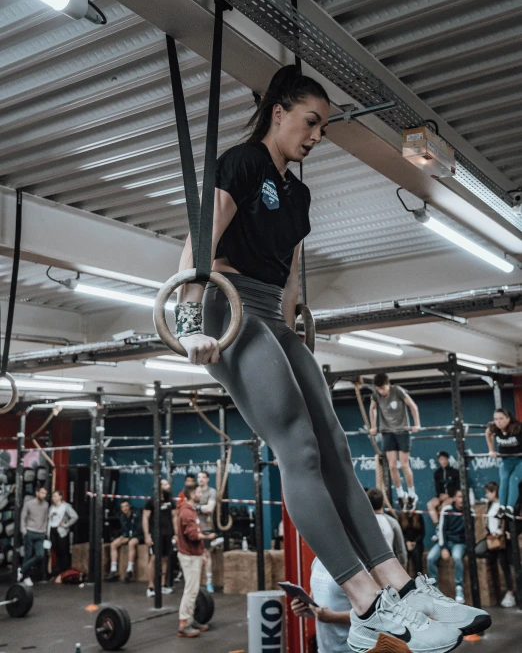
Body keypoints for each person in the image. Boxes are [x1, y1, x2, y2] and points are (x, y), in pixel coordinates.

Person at [173, 64, 490, 650]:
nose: (317, 136)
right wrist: (189, 317)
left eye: (324, 127)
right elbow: (201, 238)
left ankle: (398, 582)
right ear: (279, 112)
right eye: (311, 123)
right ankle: (365, 600)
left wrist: (296, 328)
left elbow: (289, 273)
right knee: (296, 447)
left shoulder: (298, 191)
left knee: (336, 447)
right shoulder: (241, 163)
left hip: (270, 313)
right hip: (227, 304)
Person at [369, 373, 421, 510]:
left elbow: (413, 406)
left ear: (388, 384)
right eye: (379, 389)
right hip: (387, 432)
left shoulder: (397, 391)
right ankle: (400, 493)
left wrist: (417, 424)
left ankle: (411, 493)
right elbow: (372, 409)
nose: (381, 391)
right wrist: (373, 426)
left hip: (402, 431)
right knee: (392, 466)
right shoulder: (376, 395)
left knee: (404, 464)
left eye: (383, 388)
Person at [176, 484, 216, 638]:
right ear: (192, 494)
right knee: (190, 591)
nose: (201, 494)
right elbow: (193, 535)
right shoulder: (186, 512)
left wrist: (202, 553)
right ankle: (184, 624)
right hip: (189, 556)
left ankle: (191, 620)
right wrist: (208, 537)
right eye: (199, 492)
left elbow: (195, 532)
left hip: (194, 554)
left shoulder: (191, 510)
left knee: (193, 590)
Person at [290, 558, 352, 653]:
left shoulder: (357, 564)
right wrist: (305, 608)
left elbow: (374, 614)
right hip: (324, 649)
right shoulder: (317, 561)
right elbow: (315, 604)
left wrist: (333, 617)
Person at [475, 481, 516, 608]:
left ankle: (511, 592)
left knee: (507, 564)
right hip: (492, 538)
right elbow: (489, 519)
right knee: (478, 550)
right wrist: (488, 530)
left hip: (503, 539)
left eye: (488, 492)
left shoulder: (504, 505)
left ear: (495, 492)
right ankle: (493, 559)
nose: (486, 495)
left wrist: (505, 532)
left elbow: (508, 520)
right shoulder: (490, 504)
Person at [427, 490, 471, 604]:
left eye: (463, 497)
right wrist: (443, 548)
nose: (461, 500)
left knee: (457, 557)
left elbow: (470, 534)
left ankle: (459, 588)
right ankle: (434, 589)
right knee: (430, 558)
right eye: (459, 497)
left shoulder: (470, 511)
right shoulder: (447, 510)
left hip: (459, 543)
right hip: (446, 542)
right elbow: (441, 530)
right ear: (455, 498)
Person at [486, 408, 522, 520]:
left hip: (520, 460)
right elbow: (487, 434)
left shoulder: (517, 427)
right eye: (496, 419)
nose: (498, 421)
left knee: (513, 480)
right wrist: (491, 450)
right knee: (504, 480)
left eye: (501, 418)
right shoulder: (494, 427)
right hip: (506, 460)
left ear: (508, 418)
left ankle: (510, 509)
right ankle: (502, 508)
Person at [142, 478, 176, 597]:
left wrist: (176, 534)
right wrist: (146, 535)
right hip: (156, 534)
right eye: (165, 484)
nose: (168, 486)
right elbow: (145, 518)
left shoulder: (170, 501)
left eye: (167, 484)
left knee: (165, 559)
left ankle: (162, 585)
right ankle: (151, 587)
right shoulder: (151, 501)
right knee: (154, 558)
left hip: (168, 534)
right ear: (159, 487)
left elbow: (174, 517)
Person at [367, 488, 408, 568]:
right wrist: (404, 569)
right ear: (383, 503)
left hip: (369, 570)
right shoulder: (392, 522)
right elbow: (401, 550)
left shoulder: (361, 524)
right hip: (389, 568)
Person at [107, 499, 143, 583]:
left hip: (139, 536)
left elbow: (140, 530)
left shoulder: (137, 514)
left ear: (129, 506)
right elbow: (124, 530)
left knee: (131, 543)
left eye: (126, 506)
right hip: (128, 536)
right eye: (123, 507)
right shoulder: (122, 517)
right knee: (113, 544)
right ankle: (113, 570)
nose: (125, 508)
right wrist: (123, 536)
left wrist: (129, 537)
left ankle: (129, 570)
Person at [19, 486, 49, 586]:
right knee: (28, 555)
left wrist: (45, 531)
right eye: (42, 493)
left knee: (40, 555)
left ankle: (22, 570)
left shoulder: (46, 505)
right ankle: (26, 577)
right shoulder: (29, 504)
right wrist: (23, 530)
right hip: (30, 532)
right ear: (37, 493)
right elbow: (23, 517)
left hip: (40, 533)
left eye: (45, 493)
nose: (44, 495)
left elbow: (45, 518)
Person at [48, 490, 78, 579]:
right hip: (52, 530)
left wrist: (66, 525)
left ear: (61, 497)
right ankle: (59, 571)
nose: (54, 498)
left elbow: (75, 516)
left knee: (63, 551)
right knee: (56, 550)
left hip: (61, 531)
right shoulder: (51, 507)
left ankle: (65, 572)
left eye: (56, 496)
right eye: (53, 496)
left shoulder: (66, 506)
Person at [195, 470, 217, 593]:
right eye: (199, 477)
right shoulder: (195, 491)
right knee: (196, 555)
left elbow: (210, 508)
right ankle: (196, 583)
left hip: (207, 527)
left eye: (203, 477)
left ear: (208, 479)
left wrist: (196, 508)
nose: (201, 479)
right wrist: (200, 508)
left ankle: (209, 582)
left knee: (206, 554)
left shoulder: (212, 492)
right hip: (195, 527)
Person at [427, 452, 460, 525]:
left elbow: (458, 487)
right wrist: (440, 495)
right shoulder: (437, 473)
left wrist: (449, 495)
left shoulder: (455, 472)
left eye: (445, 459)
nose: (443, 461)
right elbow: (437, 487)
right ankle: (437, 525)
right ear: (439, 461)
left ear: (448, 460)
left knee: (444, 506)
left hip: (452, 496)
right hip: (441, 496)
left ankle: (443, 525)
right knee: (430, 504)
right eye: (441, 459)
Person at [399, 510, 425, 578]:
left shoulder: (419, 516)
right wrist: (407, 542)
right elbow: (400, 533)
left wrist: (415, 542)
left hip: (417, 543)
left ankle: (419, 579)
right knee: (404, 556)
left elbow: (422, 533)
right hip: (405, 543)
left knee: (417, 555)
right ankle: (404, 580)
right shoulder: (401, 516)